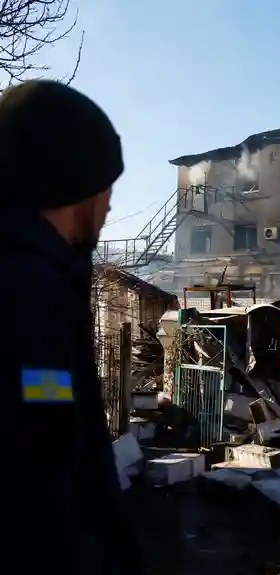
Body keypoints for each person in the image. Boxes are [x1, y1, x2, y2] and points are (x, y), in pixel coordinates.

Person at [0, 80, 144, 574]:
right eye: (106, 188)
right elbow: (46, 462)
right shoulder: (28, 293)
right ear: (74, 186)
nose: (109, 206)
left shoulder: (40, 277)